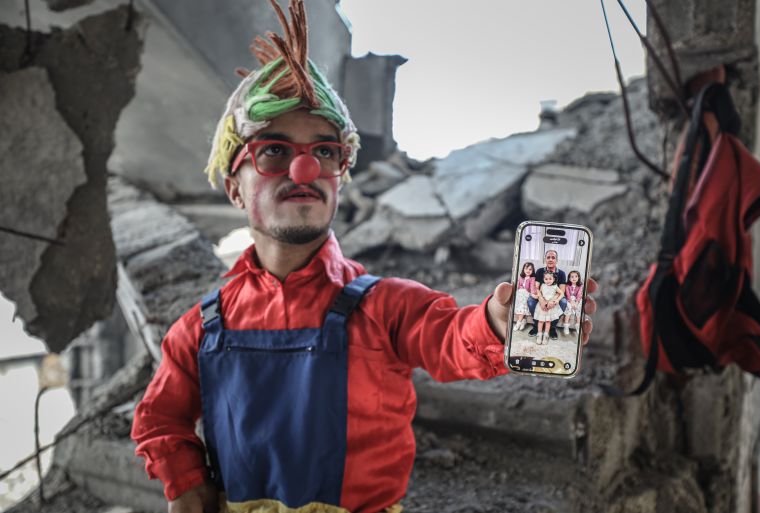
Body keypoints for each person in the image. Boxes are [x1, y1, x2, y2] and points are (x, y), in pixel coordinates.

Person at [130, 2, 598, 513]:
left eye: (325, 151)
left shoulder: (384, 306)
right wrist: (187, 482)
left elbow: (451, 336)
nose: (305, 168)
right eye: (274, 151)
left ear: (339, 176)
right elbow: (159, 417)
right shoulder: (200, 329)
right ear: (234, 189)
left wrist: (496, 321)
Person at [527, 250, 568, 340]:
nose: (550, 259)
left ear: (556, 260)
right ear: (545, 259)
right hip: (541, 295)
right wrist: (541, 300)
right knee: (530, 301)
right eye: (548, 257)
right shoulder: (539, 271)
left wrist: (552, 301)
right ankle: (536, 326)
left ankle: (552, 328)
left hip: (554, 296)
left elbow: (561, 291)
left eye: (553, 258)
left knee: (564, 302)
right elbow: (536, 288)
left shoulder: (561, 273)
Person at [533, 271, 564, 345]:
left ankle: (546, 335)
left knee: (548, 321)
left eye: (550, 279)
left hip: (551, 306)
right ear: (543, 279)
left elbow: (562, 293)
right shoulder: (543, 285)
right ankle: (539, 334)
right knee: (540, 321)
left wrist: (557, 300)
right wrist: (537, 297)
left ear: (554, 279)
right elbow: (539, 293)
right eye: (546, 279)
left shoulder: (555, 286)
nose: (548, 281)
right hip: (542, 305)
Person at [512, 262, 537, 331]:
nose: (528, 270)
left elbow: (532, 288)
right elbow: (517, 286)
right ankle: (523, 321)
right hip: (519, 293)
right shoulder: (521, 277)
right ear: (523, 269)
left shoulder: (532, 278)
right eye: (526, 268)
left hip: (526, 294)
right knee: (517, 304)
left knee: (523, 303)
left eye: (530, 269)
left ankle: (518, 322)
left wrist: (533, 295)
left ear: (532, 271)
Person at [563, 270, 583, 336]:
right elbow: (567, 294)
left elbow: (579, 294)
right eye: (572, 277)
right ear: (569, 278)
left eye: (576, 276)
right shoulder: (567, 285)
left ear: (578, 277)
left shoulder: (580, 285)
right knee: (568, 307)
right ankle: (566, 326)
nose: (574, 278)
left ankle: (578, 325)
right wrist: (571, 302)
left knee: (578, 308)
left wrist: (576, 303)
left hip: (577, 299)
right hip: (569, 299)